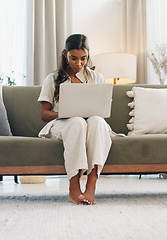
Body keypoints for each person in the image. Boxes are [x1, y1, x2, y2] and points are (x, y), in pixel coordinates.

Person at [37, 34, 114, 205]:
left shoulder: (97, 78)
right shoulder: (53, 79)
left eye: (83, 59)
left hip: (91, 124)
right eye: (73, 58)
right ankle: (73, 187)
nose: (79, 63)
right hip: (64, 124)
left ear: (88, 56)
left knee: (97, 121)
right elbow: (44, 114)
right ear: (65, 54)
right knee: (77, 122)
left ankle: (91, 186)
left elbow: (101, 111)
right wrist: (66, 112)